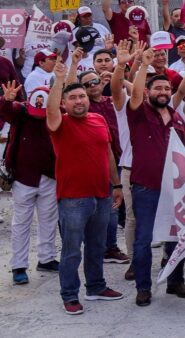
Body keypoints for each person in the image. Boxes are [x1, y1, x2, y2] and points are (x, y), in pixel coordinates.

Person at [45, 61, 125, 314]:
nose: (79, 101)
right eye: (73, 98)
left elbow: (109, 155)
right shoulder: (60, 123)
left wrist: (117, 184)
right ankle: (69, 295)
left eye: (82, 96)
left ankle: (96, 287)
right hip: (73, 199)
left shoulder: (99, 119)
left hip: (102, 194)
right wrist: (59, 81)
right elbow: (50, 112)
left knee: (96, 245)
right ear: (65, 103)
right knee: (71, 251)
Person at [125, 47, 185, 306]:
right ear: (148, 92)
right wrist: (143, 65)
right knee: (143, 239)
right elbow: (134, 93)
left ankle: (175, 282)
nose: (163, 92)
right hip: (146, 187)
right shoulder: (139, 112)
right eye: (157, 89)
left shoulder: (177, 118)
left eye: (166, 89)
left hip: (176, 188)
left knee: (177, 237)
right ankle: (143, 287)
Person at [3, 83, 58, 285]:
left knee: (49, 220)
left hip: (49, 176)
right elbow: (7, 111)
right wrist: (7, 100)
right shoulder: (20, 111)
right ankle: (18, 265)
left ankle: (47, 258)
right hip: (23, 178)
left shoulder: (57, 111)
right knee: (21, 223)